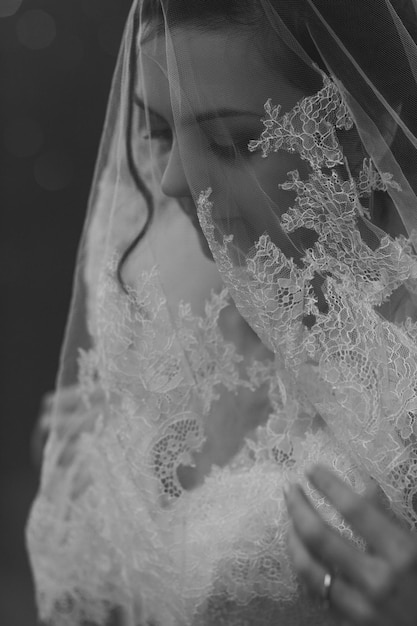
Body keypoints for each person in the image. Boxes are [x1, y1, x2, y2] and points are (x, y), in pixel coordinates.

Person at [26, 0, 417, 624]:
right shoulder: (172, 310)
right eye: (157, 131)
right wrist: (91, 483)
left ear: (367, 133)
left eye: (231, 141)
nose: (175, 179)